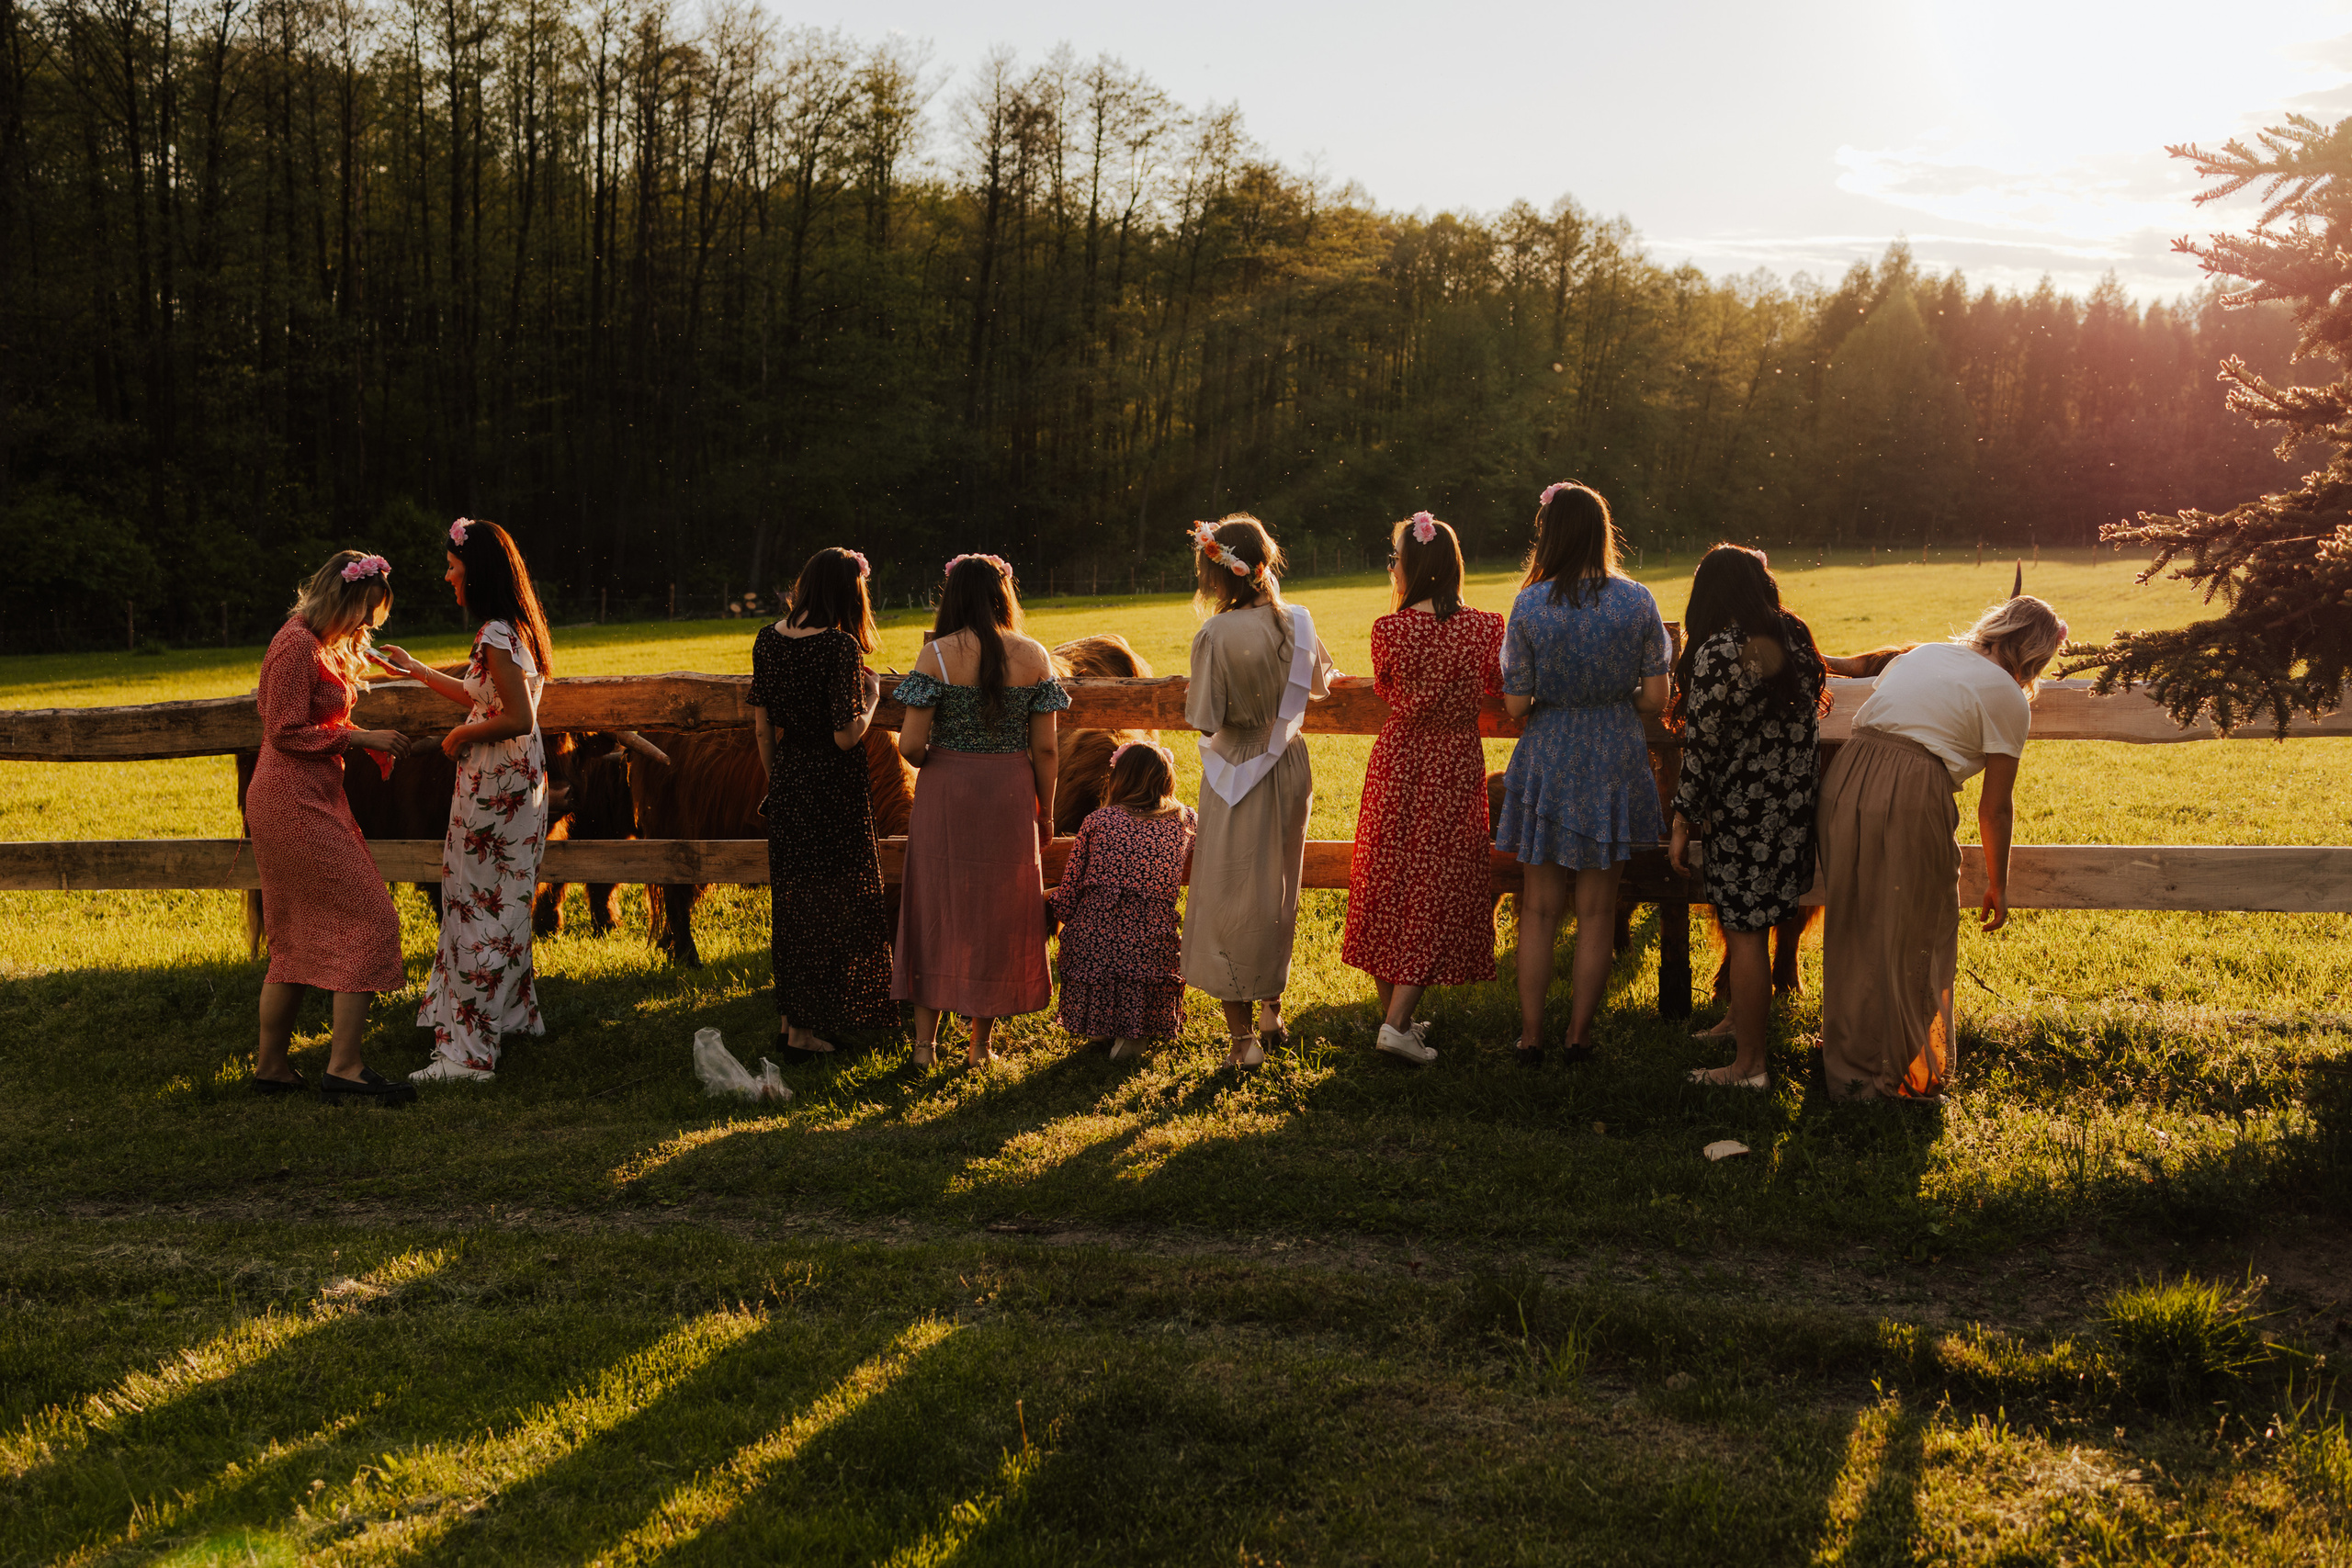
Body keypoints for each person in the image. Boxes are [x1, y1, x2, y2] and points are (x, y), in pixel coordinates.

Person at [1815, 595, 2066, 1101]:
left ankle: (1848, 1062)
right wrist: (1998, 884)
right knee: (1917, 924)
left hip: (1845, 777)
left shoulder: (1926, 652)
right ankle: (1901, 1074)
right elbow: (1994, 809)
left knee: (1855, 919)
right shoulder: (2009, 699)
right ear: (2036, 655)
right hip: (1911, 785)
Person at [1494, 481, 1671, 1066]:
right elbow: (1654, 699)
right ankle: (1580, 1037)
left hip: (1549, 752)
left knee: (1540, 908)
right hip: (1614, 753)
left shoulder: (1529, 604)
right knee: (1598, 908)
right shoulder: (1638, 600)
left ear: (1549, 534)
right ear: (1601, 532)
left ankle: (1530, 1037)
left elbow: (1516, 706)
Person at [376, 517, 555, 1083]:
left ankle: (469, 1056)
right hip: (510, 788)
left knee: (478, 908)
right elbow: (487, 694)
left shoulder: (495, 635)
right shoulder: (511, 630)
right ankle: (509, 1018)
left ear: (475, 571)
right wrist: (418, 671)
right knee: (498, 906)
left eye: (453, 566)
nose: (447, 575)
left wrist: (457, 737)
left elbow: (517, 718)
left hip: (495, 791)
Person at [246, 550, 417, 1104]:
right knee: (372, 917)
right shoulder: (295, 644)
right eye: (364, 612)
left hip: (309, 793)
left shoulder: (317, 643)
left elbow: (320, 710)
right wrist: (362, 739)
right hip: (291, 797)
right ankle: (345, 1067)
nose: (366, 625)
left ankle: (271, 1067)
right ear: (341, 598)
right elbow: (285, 731)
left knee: (293, 933)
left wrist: (394, 670)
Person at [1341, 511, 1505, 1066]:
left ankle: (1398, 1020)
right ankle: (1396, 1024)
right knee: (1438, 882)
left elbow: (1386, 687)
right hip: (1454, 761)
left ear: (1409, 567)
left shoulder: (1388, 631)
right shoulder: (1485, 627)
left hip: (1399, 759)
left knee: (1391, 878)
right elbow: (1499, 685)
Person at [893, 553, 1069, 1066]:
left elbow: (908, 746)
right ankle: (980, 1046)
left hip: (947, 792)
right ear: (1003, 594)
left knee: (935, 908)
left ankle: (925, 1046)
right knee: (997, 914)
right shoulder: (1034, 655)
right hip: (1010, 795)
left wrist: (940, 761)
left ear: (952, 597)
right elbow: (1047, 751)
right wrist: (1047, 812)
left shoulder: (936, 657)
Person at [1666, 546, 1828, 1090]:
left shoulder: (1716, 652)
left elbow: (1702, 746)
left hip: (1741, 812)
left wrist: (1683, 819)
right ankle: (1738, 1021)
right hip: (1791, 809)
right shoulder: (1795, 635)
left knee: (1745, 932)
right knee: (1755, 926)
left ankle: (1750, 1066)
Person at [1181, 514, 1335, 1068]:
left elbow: (1205, 717)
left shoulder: (1216, 635)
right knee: (1279, 884)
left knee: (1231, 891)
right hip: (1289, 764)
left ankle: (1242, 1041)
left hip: (1238, 765)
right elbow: (1318, 687)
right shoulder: (1299, 621)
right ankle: (1272, 1009)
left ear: (1220, 575)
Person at [749, 546, 895, 1062]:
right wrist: (873, 696)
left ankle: (793, 1019)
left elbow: (764, 728)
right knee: (833, 903)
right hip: (833, 789)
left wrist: (779, 783)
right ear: (846, 593)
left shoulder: (767, 640)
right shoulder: (839, 649)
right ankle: (806, 1034)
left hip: (788, 781)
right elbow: (845, 737)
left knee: (792, 906)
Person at [1050, 741, 1197, 1059]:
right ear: (1167, 779)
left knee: (1095, 941)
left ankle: (1101, 1025)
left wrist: (1054, 908)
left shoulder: (1096, 821)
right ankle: (1134, 1031)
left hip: (1094, 939)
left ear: (1116, 780)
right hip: (1153, 940)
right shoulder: (1185, 820)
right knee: (1140, 953)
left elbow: (1071, 887)